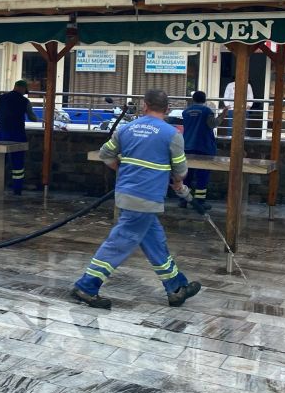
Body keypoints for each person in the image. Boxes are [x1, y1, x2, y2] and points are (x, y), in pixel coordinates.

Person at [71, 89, 202, 310]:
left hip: (127, 194)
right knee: (119, 243)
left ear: (144, 106)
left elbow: (105, 154)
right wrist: (178, 183)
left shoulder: (126, 129)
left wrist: (121, 169)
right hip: (147, 197)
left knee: (155, 242)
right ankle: (86, 286)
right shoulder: (172, 135)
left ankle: (176, 287)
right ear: (167, 109)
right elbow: (180, 172)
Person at [0, 80, 38, 194]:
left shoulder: (1, 98)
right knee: (18, 165)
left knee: (0, 161)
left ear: (15, 87)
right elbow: (33, 118)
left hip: (2, 134)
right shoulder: (25, 101)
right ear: (22, 89)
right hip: (18, 135)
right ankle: (17, 189)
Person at [181, 91, 227, 209]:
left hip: (187, 146)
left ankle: (184, 200)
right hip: (204, 147)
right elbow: (212, 124)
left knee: (187, 175)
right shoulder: (207, 111)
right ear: (205, 100)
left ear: (193, 99)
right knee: (202, 175)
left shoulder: (185, 112)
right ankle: (200, 202)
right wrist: (223, 114)